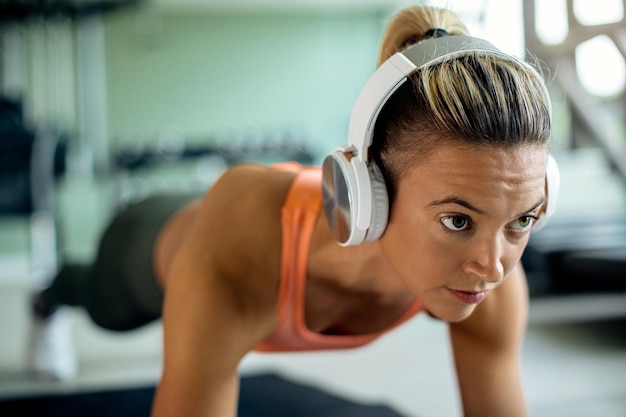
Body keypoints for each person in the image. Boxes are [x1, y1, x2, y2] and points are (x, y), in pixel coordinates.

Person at [27, 5, 560, 417]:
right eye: (458, 221)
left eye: (520, 221)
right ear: (366, 194)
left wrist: (484, 225)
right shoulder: (241, 247)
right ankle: (48, 296)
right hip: (154, 240)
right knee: (97, 299)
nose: (493, 266)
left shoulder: (488, 282)